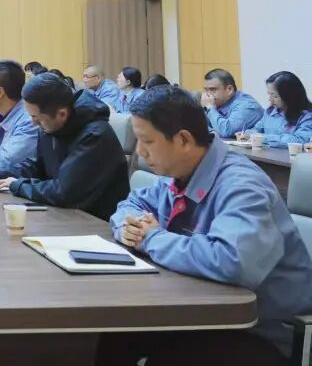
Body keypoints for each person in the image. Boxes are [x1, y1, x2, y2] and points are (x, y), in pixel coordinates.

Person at [102, 86, 312, 365]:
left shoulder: (241, 185)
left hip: (257, 331)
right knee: (111, 335)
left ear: (183, 139)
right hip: (199, 311)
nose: (139, 151)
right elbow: (133, 203)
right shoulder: (181, 172)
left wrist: (152, 239)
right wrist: (129, 228)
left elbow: (232, 260)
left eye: (147, 141)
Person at [0, 74, 129, 220]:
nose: (33, 123)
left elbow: (64, 192)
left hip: (95, 222)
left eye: (36, 117)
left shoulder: (95, 135)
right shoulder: (50, 125)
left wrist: (18, 185)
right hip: (62, 213)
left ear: (62, 114)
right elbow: (37, 168)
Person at [247, 71, 312, 147]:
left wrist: (263, 138)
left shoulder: (307, 116)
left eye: (275, 96)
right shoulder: (270, 112)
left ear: (289, 96)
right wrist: (248, 134)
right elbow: (256, 129)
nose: (270, 99)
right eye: (269, 94)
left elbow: (300, 140)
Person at [201, 68, 264, 138]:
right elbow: (199, 127)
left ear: (229, 89)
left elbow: (226, 131)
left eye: (213, 89)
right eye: (206, 90)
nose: (208, 94)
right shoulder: (218, 103)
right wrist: (212, 131)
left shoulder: (247, 105)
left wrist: (210, 108)